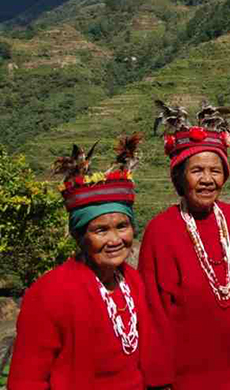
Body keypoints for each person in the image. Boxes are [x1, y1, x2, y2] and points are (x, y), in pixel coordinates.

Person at [139, 100, 230, 390]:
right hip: (187, 379)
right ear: (180, 177)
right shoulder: (161, 232)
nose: (207, 180)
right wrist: (160, 378)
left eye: (215, 171)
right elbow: (154, 312)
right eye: (197, 171)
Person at [9, 134, 150, 390]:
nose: (115, 239)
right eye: (100, 230)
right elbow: (26, 380)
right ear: (79, 235)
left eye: (122, 226)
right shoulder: (50, 293)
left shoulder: (133, 282)